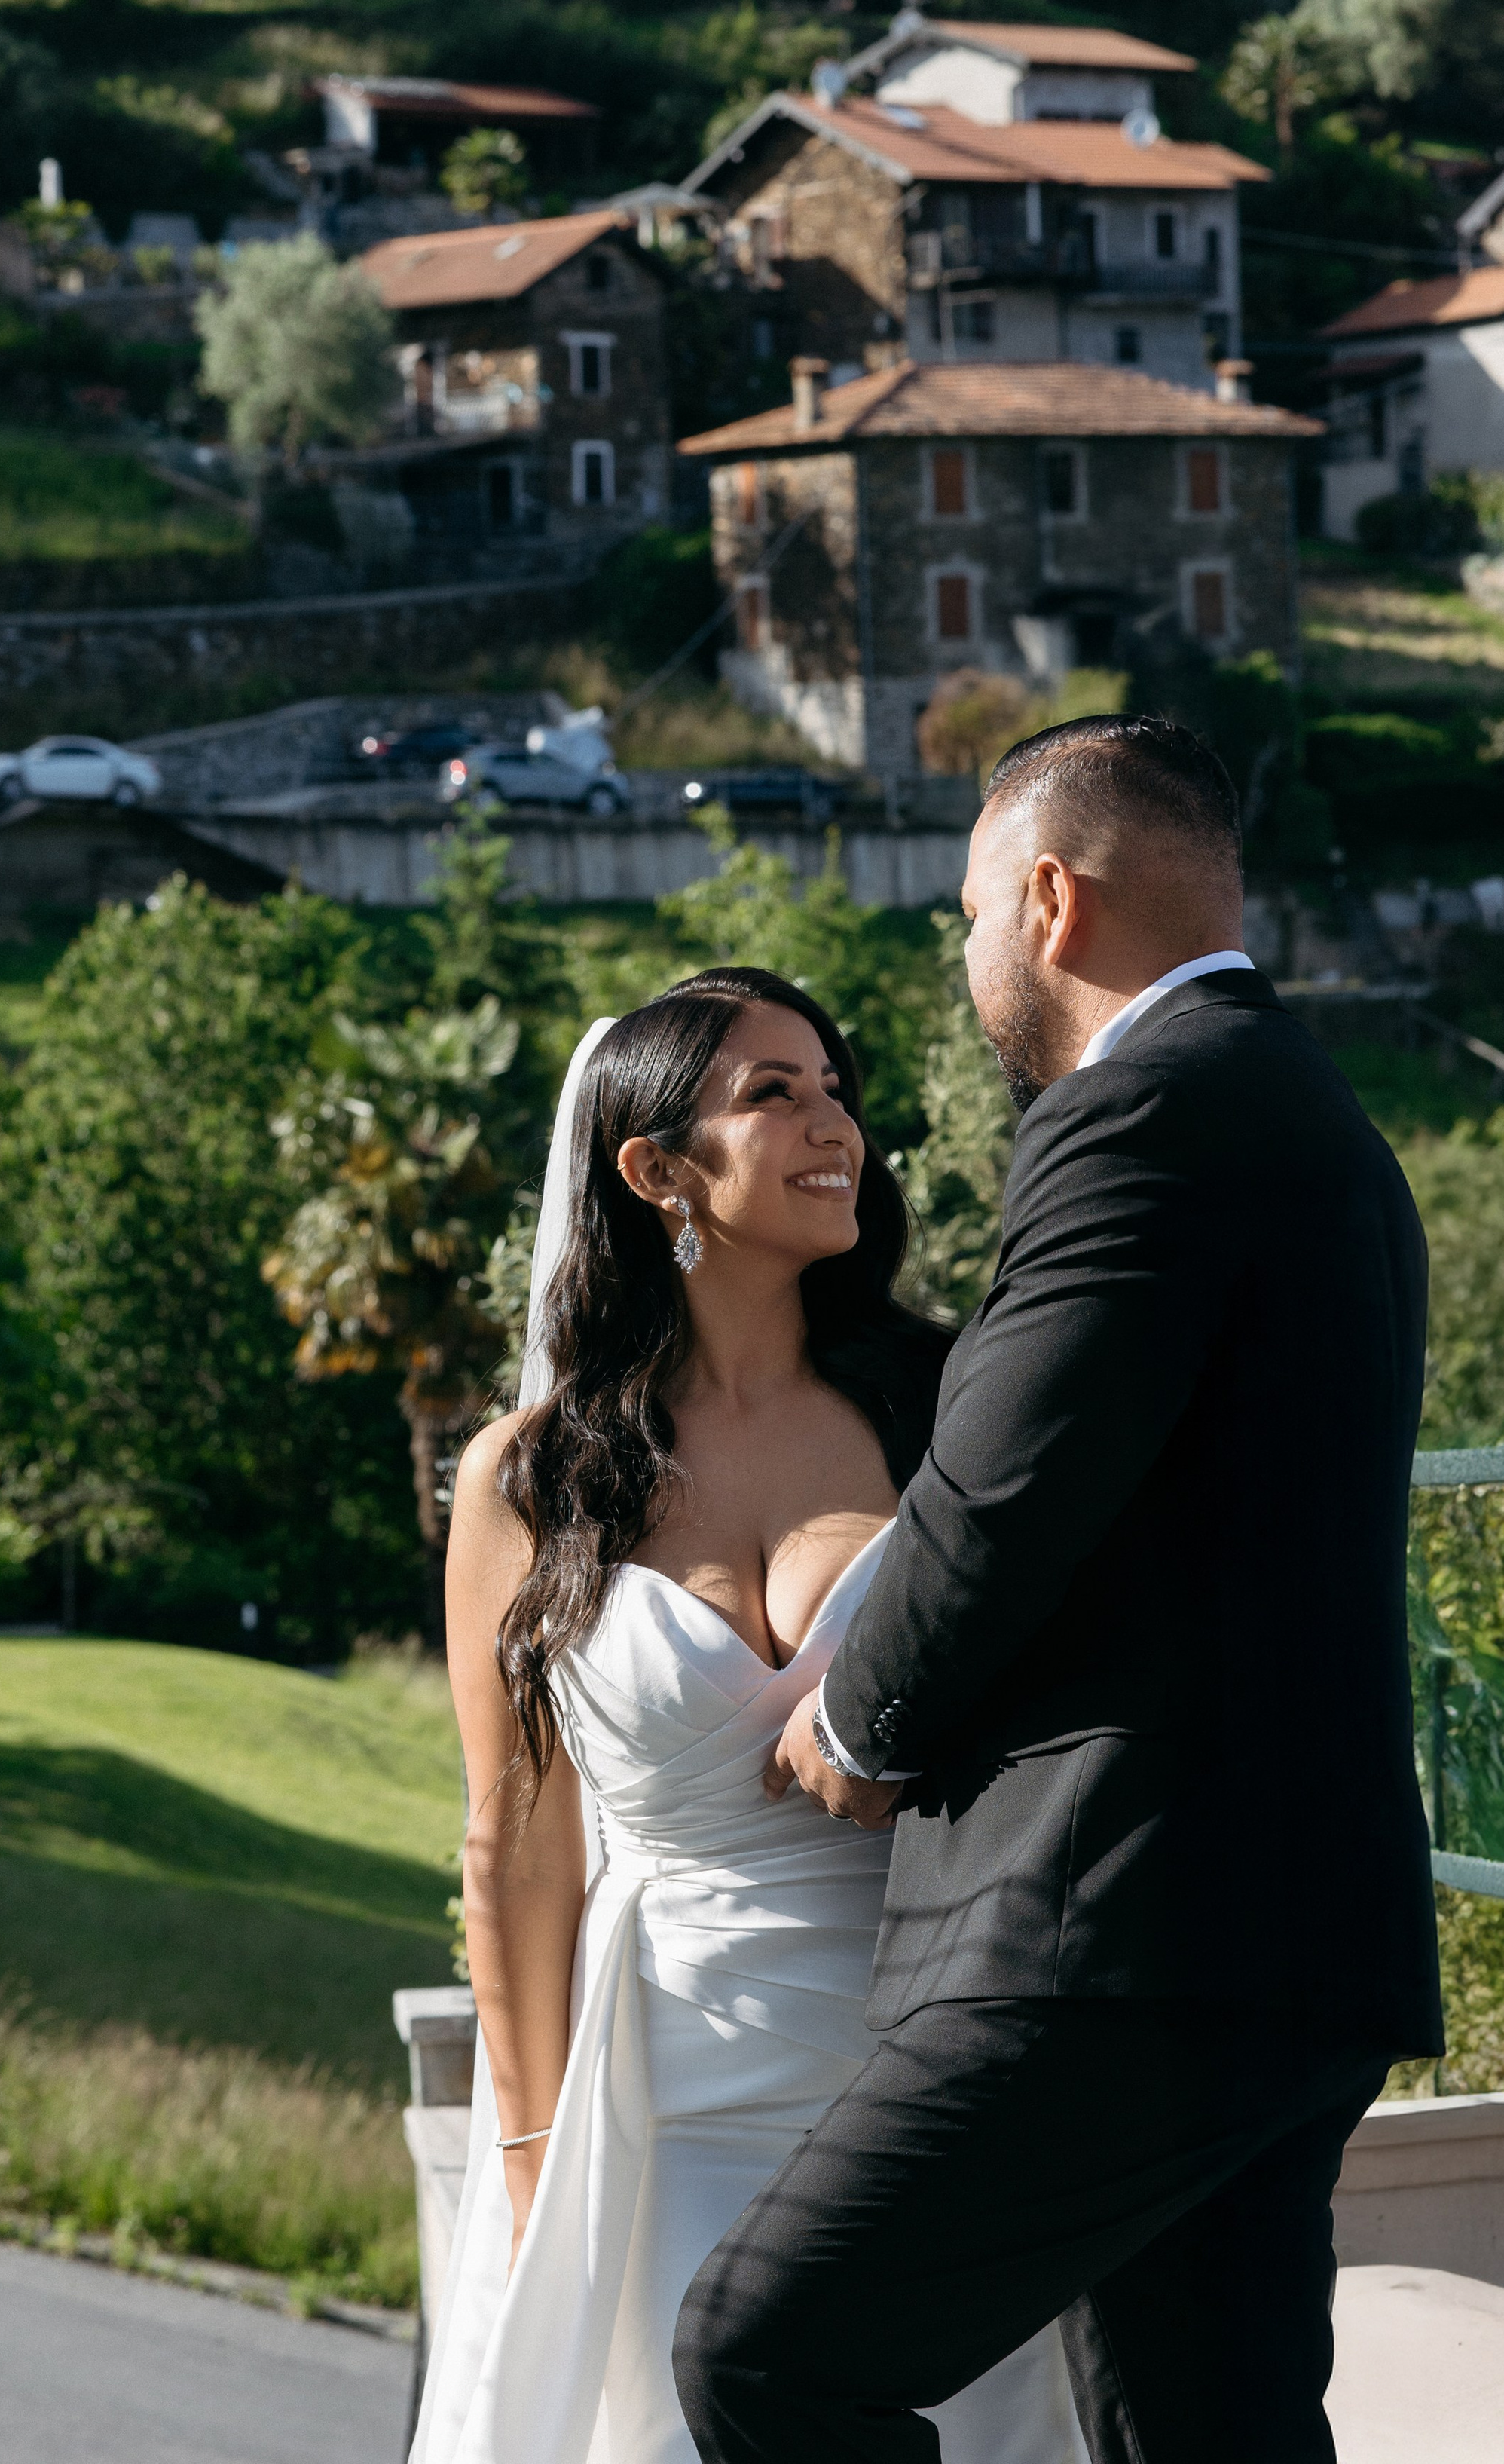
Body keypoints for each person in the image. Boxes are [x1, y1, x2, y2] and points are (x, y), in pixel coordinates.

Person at [674, 714, 1442, 2464]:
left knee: (767, 2358)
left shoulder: (1137, 1116)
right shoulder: (1316, 1118)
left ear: (1045, 900)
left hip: (1120, 1930)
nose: (964, 964)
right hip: (1282, 1934)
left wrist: (857, 1718)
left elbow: (1004, 1491)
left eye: (964, 918)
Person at [414, 969, 1081, 2464]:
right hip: (674, 2098)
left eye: (834, 1089)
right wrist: (529, 2158)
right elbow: (517, 1851)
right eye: (772, 1095)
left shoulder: (950, 1405)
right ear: (655, 1172)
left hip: (943, 2072)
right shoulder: (526, 1480)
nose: (830, 1124)